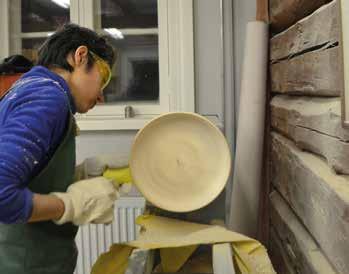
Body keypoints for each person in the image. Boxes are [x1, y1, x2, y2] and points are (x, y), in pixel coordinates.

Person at [0, 24, 121, 274]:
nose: (101, 96)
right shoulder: (48, 98)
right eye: (104, 77)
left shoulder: (26, 88)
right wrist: (70, 204)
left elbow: (25, 174)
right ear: (80, 56)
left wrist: (76, 175)